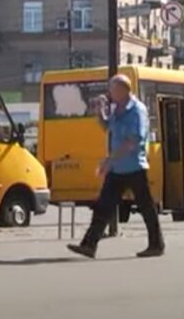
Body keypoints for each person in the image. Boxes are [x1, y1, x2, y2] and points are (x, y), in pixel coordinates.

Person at [67, 74, 164, 259]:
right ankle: (89, 245)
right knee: (103, 206)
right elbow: (108, 127)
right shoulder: (118, 109)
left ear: (122, 90)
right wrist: (100, 112)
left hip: (134, 166)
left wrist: (109, 160)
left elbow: (132, 141)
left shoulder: (137, 110)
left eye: (112, 89)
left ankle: (156, 244)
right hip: (117, 168)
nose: (109, 93)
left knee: (146, 207)